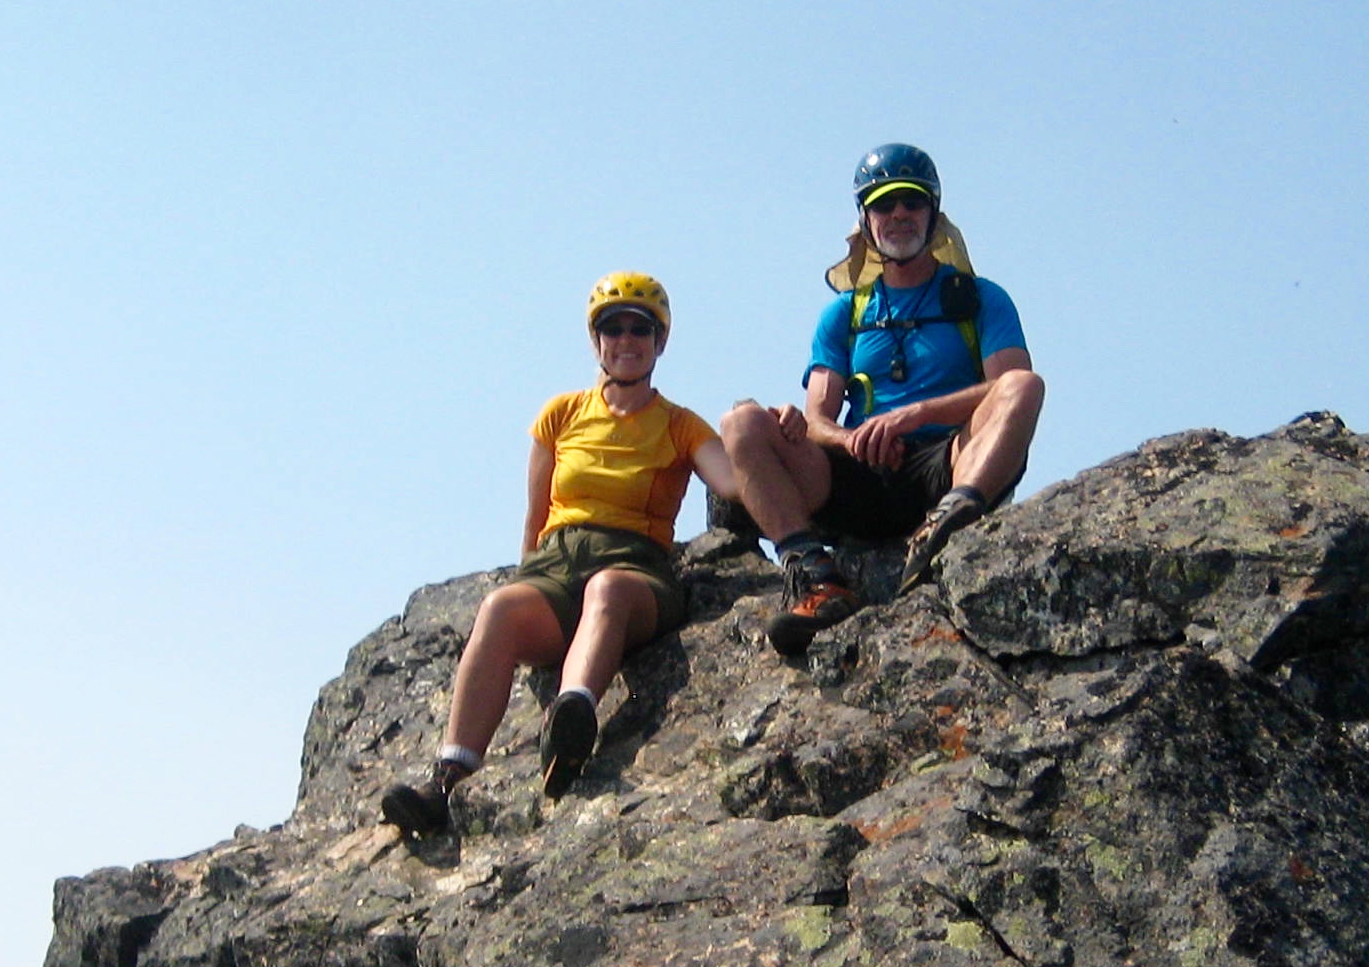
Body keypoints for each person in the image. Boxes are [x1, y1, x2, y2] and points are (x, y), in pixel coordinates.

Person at [381, 272, 739, 835]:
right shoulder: (561, 415)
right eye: (612, 328)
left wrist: (764, 438)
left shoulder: (680, 425)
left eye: (639, 329)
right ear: (595, 341)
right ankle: (445, 782)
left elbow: (733, 482)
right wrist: (531, 583)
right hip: (556, 562)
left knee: (608, 590)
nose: (626, 340)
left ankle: (570, 720)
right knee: (499, 609)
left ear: (659, 342)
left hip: (635, 567)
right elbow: (536, 515)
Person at [717, 144, 1045, 656]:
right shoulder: (845, 314)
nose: (898, 216)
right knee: (741, 424)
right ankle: (817, 578)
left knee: (1026, 387)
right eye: (883, 205)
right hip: (860, 474)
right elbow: (817, 418)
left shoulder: (980, 299)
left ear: (933, 216)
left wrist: (914, 415)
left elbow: (1008, 385)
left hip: (948, 463)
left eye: (911, 203)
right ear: (865, 220)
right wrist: (856, 440)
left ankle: (943, 529)